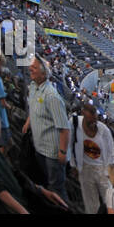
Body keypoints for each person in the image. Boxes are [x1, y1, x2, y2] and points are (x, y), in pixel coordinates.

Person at [0, 94, 68, 214]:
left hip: (26, 195)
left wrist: (41, 190)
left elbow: (12, 172)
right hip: (22, 203)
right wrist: (23, 211)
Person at [20, 56, 70, 195]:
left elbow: (64, 128)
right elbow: (34, 106)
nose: (30, 68)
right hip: (38, 148)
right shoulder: (33, 87)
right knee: (45, 183)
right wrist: (28, 121)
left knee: (57, 189)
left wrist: (63, 152)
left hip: (52, 154)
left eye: (34, 67)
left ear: (44, 74)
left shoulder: (52, 96)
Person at [70, 102, 114, 214]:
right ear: (83, 115)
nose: (93, 123)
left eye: (95, 120)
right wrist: (73, 165)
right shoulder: (74, 123)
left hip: (102, 169)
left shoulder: (104, 130)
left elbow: (111, 153)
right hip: (85, 168)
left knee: (111, 201)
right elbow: (69, 144)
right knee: (90, 203)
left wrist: (109, 172)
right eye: (90, 121)